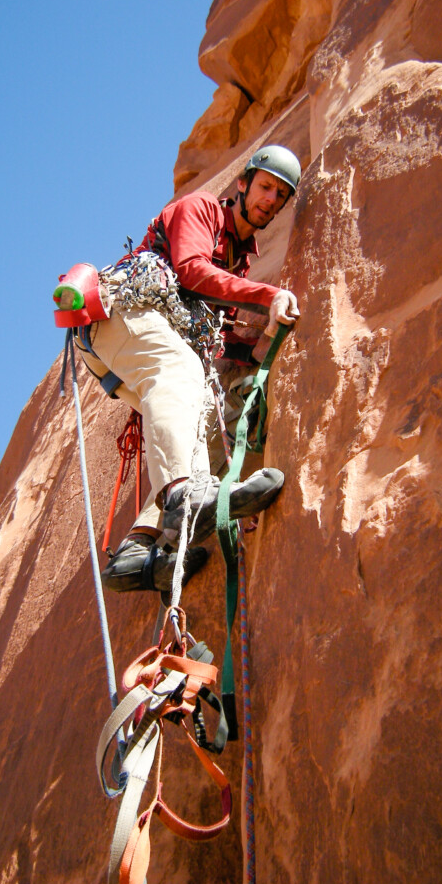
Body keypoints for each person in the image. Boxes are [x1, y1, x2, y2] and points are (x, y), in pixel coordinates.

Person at [78, 145, 301, 592]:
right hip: (125, 311)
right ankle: (186, 497)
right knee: (180, 371)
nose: (270, 200)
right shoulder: (200, 208)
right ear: (243, 183)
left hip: (143, 338)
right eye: (265, 187)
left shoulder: (237, 261)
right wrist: (266, 295)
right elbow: (191, 271)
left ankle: (141, 553)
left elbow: (219, 337)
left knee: (195, 415)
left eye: (280, 195)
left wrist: (259, 350)